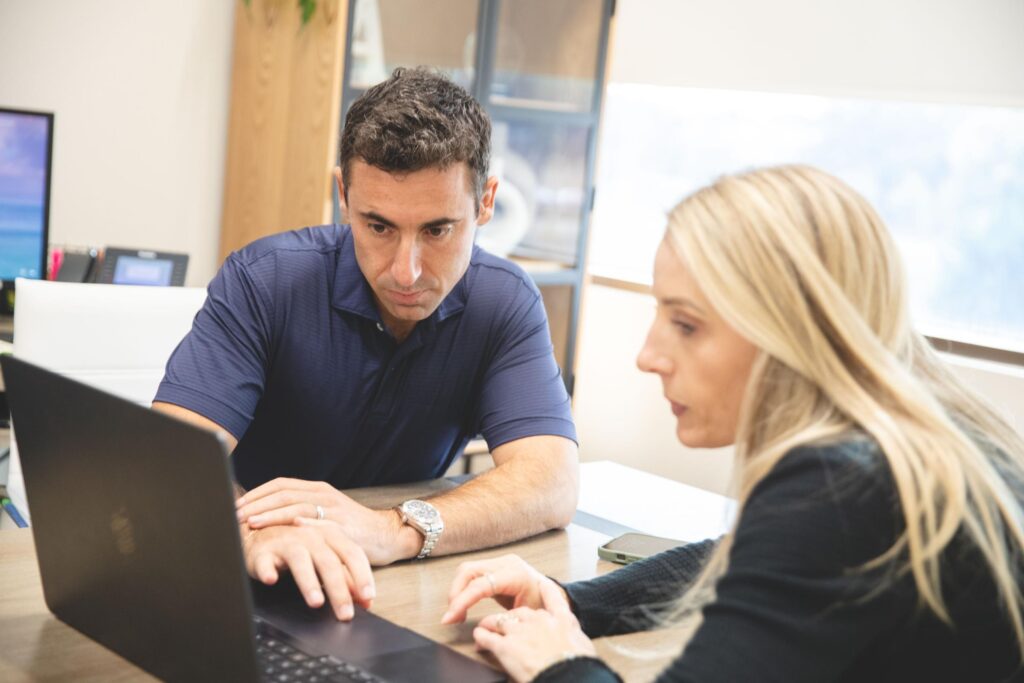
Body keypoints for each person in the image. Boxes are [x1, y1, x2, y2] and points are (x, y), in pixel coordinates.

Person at [442, 165, 1024, 682]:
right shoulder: (930, 439)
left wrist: (561, 664)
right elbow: (750, 557)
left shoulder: (842, 485)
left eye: (688, 325)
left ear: (793, 330)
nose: (649, 356)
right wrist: (570, 605)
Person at [152, 68, 579, 622]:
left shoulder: (505, 303)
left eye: (438, 230)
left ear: (485, 203)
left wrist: (392, 530)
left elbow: (552, 482)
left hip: (398, 594)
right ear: (343, 196)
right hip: (239, 588)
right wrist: (248, 535)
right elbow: (167, 464)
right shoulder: (266, 281)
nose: (407, 271)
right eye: (378, 226)